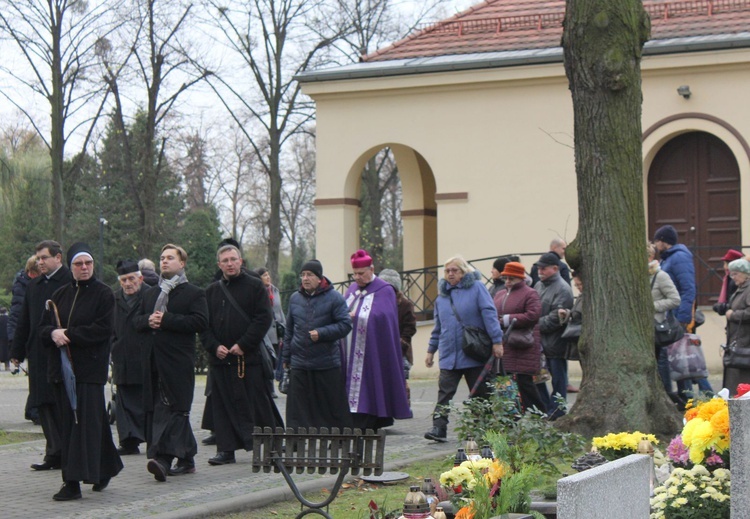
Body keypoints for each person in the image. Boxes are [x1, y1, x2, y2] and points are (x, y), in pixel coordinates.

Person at [40, 242, 123, 500]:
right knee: (81, 425)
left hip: (89, 371)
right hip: (63, 373)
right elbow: (43, 330)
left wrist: (69, 334)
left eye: (88, 263)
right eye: (78, 264)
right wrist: (53, 333)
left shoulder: (104, 293)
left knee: (81, 426)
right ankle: (106, 467)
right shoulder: (61, 294)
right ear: (71, 267)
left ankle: (72, 482)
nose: (84, 268)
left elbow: (103, 329)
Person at [200, 244, 283, 466]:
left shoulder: (255, 286)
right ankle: (226, 450)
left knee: (258, 405)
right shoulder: (211, 291)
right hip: (221, 360)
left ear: (241, 261)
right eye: (225, 260)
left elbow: (263, 318)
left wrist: (243, 344)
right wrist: (214, 346)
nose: (229, 264)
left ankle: (272, 448)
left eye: (233, 259)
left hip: (248, 359)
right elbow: (204, 325)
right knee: (223, 406)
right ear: (219, 264)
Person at [134, 244, 208, 481]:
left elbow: (200, 322)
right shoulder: (149, 293)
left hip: (177, 361)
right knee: (166, 410)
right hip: (153, 361)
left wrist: (167, 320)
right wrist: (149, 321)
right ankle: (187, 458)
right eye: (162, 257)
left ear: (182, 263)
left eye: (170, 258)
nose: (164, 261)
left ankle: (163, 460)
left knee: (175, 410)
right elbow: (135, 322)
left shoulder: (193, 293)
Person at [424, 256, 503, 441]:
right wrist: (430, 351)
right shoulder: (442, 297)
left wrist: (497, 341)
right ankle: (438, 428)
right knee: (444, 393)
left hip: (473, 352)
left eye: (455, 270)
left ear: (463, 271)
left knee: (479, 393)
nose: (450, 274)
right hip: (449, 354)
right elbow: (438, 327)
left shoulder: (476, 288)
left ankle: (478, 429)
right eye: (447, 271)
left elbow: (489, 314)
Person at [10, 240, 72, 470]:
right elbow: (24, 319)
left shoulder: (68, 281)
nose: (40, 262)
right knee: (43, 403)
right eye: (38, 258)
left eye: (44, 257)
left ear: (58, 257)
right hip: (37, 353)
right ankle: (53, 452)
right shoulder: (34, 286)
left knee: (60, 404)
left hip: (61, 353)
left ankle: (67, 452)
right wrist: (16, 350)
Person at [344, 250, 412, 430]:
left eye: (361, 273)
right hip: (351, 350)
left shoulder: (384, 290)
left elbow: (383, 316)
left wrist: (356, 316)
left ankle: (370, 420)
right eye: (355, 274)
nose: (357, 277)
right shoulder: (351, 290)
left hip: (372, 351)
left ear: (371, 269)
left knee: (372, 386)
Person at [283, 259, 353, 430]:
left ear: (319, 278)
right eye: (303, 275)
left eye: (310, 275)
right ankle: (295, 439)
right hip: (299, 362)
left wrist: (322, 333)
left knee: (330, 406)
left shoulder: (334, 297)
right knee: (296, 408)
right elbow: (289, 330)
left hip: (326, 362)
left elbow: (345, 325)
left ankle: (338, 439)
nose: (305, 279)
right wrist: (285, 357)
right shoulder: (295, 298)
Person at [653, 225, 713, 396]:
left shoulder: (678, 258)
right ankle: (686, 395)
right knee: (679, 356)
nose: (656, 245)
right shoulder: (669, 258)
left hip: (678, 315)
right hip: (674, 314)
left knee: (686, 355)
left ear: (664, 241)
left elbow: (688, 288)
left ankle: (706, 393)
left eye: (657, 241)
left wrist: (683, 317)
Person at [493, 261, 546, 413]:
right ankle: (513, 418)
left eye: (512, 278)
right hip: (505, 345)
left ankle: (539, 415)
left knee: (525, 384)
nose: (508, 282)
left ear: (520, 278)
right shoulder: (500, 294)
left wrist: (506, 319)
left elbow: (533, 315)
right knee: (505, 383)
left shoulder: (530, 293)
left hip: (522, 346)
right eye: (506, 278)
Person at [111, 260, 147, 455]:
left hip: (143, 357)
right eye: (124, 280)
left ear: (140, 278)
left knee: (144, 400)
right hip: (122, 358)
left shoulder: (150, 295)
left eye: (131, 279)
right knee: (124, 402)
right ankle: (128, 441)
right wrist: (113, 345)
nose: (128, 283)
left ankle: (149, 437)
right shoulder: (114, 298)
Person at [534, 252, 573, 420]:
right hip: (539, 342)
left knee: (558, 379)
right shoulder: (539, 285)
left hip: (555, 342)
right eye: (539, 268)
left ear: (555, 268)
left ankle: (558, 410)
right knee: (538, 377)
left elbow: (556, 318)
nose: (540, 271)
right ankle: (545, 408)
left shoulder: (563, 289)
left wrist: (532, 325)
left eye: (543, 268)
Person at [9, 255, 42, 421]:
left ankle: (32, 408)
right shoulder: (24, 287)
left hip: (33, 333)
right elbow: (17, 314)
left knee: (37, 375)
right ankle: (35, 409)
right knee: (36, 375)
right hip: (29, 335)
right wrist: (14, 342)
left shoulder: (25, 284)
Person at [378, 269, 417, 407]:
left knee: (401, 378)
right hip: (382, 348)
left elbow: (410, 327)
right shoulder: (377, 302)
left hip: (401, 350)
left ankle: (404, 405)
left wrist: (401, 343)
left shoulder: (405, 305)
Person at [648, 243, 681, 396]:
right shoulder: (636, 277)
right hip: (639, 329)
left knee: (660, 361)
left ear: (650, 257)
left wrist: (651, 306)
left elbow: (675, 299)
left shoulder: (660, 276)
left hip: (655, 327)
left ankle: (666, 394)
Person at [256, 266, 286, 397]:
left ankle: (274, 384)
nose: (268, 277)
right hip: (265, 333)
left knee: (275, 360)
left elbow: (279, 311)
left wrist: (284, 327)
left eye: (268, 275)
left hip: (277, 333)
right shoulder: (257, 291)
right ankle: (269, 388)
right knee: (266, 360)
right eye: (265, 275)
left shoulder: (275, 290)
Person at [724, 258, 750, 393]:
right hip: (739, 341)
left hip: (746, 342)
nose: (732, 277)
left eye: (735, 274)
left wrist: (732, 315)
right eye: (731, 274)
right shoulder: (741, 288)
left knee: (743, 379)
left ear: (745, 273)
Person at [713, 249, 744, 316]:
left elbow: (734, 301)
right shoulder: (729, 278)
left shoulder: (734, 281)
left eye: (724, 263)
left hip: (735, 316)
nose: (723, 267)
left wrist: (721, 307)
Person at [0, 307, 8, 371]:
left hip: (0, 338)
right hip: (7, 337)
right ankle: (7, 367)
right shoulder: (8, 319)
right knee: (6, 352)